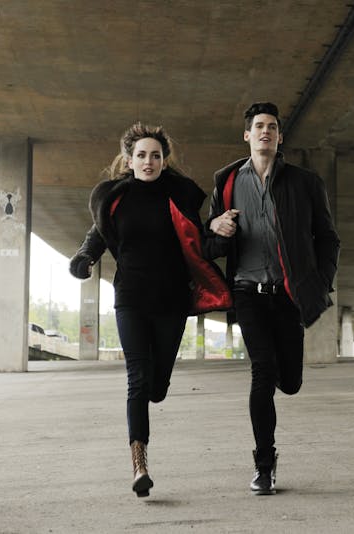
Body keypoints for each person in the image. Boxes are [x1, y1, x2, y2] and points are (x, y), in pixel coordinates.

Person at [69, 123, 232, 498]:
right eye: (141, 155)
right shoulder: (115, 198)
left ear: (164, 159)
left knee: (156, 388)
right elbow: (96, 234)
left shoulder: (178, 196)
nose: (148, 161)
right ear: (129, 160)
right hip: (130, 299)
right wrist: (84, 257)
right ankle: (139, 463)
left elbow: (199, 239)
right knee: (138, 380)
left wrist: (220, 234)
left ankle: (153, 401)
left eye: (155, 155)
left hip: (172, 302)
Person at [206, 102, 340, 495]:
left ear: (280, 137)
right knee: (262, 372)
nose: (265, 132)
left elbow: (328, 238)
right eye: (258, 126)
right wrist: (216, 227)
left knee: (291, 382)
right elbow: (209, 243)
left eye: (272, 127)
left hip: (287, 294)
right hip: (247, 292)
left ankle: (285, 376)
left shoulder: (304, 183)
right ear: (246, 135)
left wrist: (319, 282)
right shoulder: (227, 181)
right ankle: (264, 465)